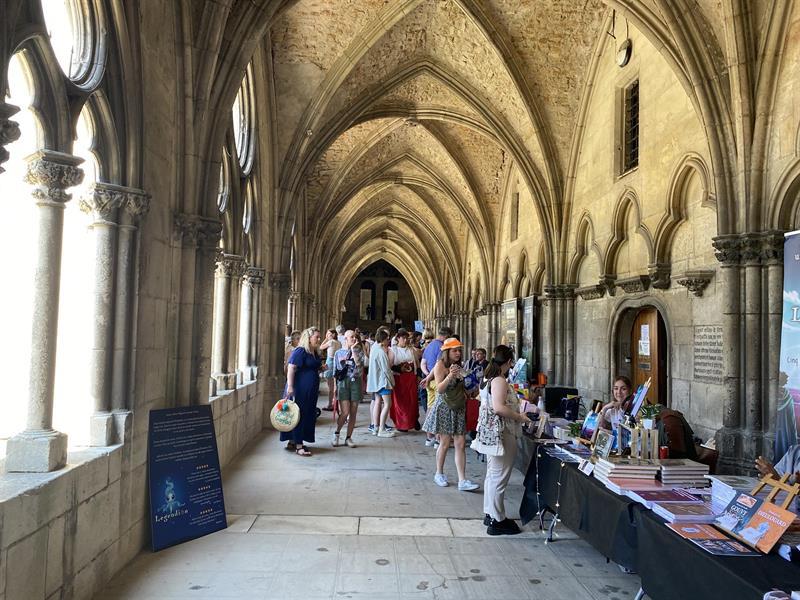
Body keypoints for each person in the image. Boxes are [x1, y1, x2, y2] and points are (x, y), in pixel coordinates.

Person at [476, 345, 532, 535]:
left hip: (491, 432)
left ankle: (490, 512)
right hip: (502, 432)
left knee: (493, 474)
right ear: (509, 362)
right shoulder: (499, 380)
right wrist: (520, 417)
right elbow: (499, 407)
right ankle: (497, 519)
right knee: (499, 477)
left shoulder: (488, 377)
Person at [422, 337, 480, 492]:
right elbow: (440, 389)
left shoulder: (459, 366)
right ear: (447, 352)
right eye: (454, 350)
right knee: (445, 442)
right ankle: (439, 473)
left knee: (460, 443)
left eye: (459, 350)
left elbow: (461, 386)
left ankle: (462, 480)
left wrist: (470, 389)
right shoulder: (440, 365)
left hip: (459, 407)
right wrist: (450, 376)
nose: (458, 353)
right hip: (445, 407)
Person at [283, 327, 323, 456]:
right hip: (299, 389)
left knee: (306, 414)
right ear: (309, 338)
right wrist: (290, 386)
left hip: (310, 390)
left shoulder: (313, 352)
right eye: (316, 337)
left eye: (319, 337)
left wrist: (322, 368)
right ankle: (299, 446)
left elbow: (311, 367)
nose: (319, 339)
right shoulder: (301, 350)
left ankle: (293, 441)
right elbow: (291, 367)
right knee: (299, 414)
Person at [420, 326, 453, 447]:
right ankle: (439, 439)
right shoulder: (442, 347)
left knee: (430, 408)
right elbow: (438, 365)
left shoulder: (429, 346)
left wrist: (426, 375)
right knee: (440, 409)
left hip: (429, 381)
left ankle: (429, 437)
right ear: (446, 336)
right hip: (438, 380)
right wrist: (430, 376)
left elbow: (423, 363)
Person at [332, 330, 366, 448]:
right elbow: (335, 371)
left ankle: (348, 437)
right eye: (351, 337)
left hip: (355, 382)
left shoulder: (359, 351)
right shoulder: (338, 353)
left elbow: (359, 364)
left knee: (353, 412)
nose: (354, 339)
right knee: (345, 412)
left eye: (355, 337)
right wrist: (335, 388)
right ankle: (337, 433)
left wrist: (353, 350)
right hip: (343, 383)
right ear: (345, 339)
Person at [366, 329, 396, 437]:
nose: (388, 341)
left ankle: (375, 427)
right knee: (387, 404)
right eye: (387, 339)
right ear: (383, 340)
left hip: (376, 381)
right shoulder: (381, 352)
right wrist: (392, 381)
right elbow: (386, 369)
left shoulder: (374, 348)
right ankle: (382, 429)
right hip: (383, 381)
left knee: (377, 402)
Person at [389, 330, 419, 432]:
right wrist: (400, 368)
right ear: (398, 338)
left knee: (412, 400)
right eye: (403, 338)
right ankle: (402, 424)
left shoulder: (411, 349)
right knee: (401, 402)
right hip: (399, 379)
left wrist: (417, 374)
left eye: (407, 338)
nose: (405, 340)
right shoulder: (393, 350)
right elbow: (390, 365)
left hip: (410, 378)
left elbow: (417, 364)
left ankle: (413, 420)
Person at [320, 329, 341, 411]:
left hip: (330, 363)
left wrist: (326, 338)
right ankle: (335, 403)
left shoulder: (331, 342)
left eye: (328, 334)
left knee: (330, 387)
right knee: (335, 385)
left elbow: (321, 347)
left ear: (333, 334)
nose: (327, 335)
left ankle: (330, 405)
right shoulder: (339, 342)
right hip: (337, 363)